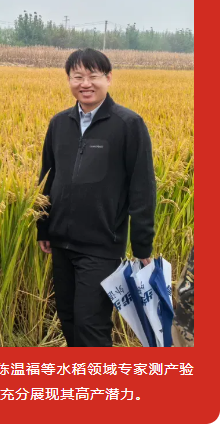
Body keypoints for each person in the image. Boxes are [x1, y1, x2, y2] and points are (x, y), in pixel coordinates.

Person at [37, 48, 156, 347]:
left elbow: (142, 188)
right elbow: (47, 179)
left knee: (91, 325)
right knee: (68, 319)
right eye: (77, 76)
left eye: (93, 76)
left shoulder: (128, 124)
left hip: (101, 245)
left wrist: (142, 244)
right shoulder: (59, 123)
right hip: (61, 242)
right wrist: (43, 227)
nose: (85, 83)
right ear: (69, 80)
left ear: (108, 78)